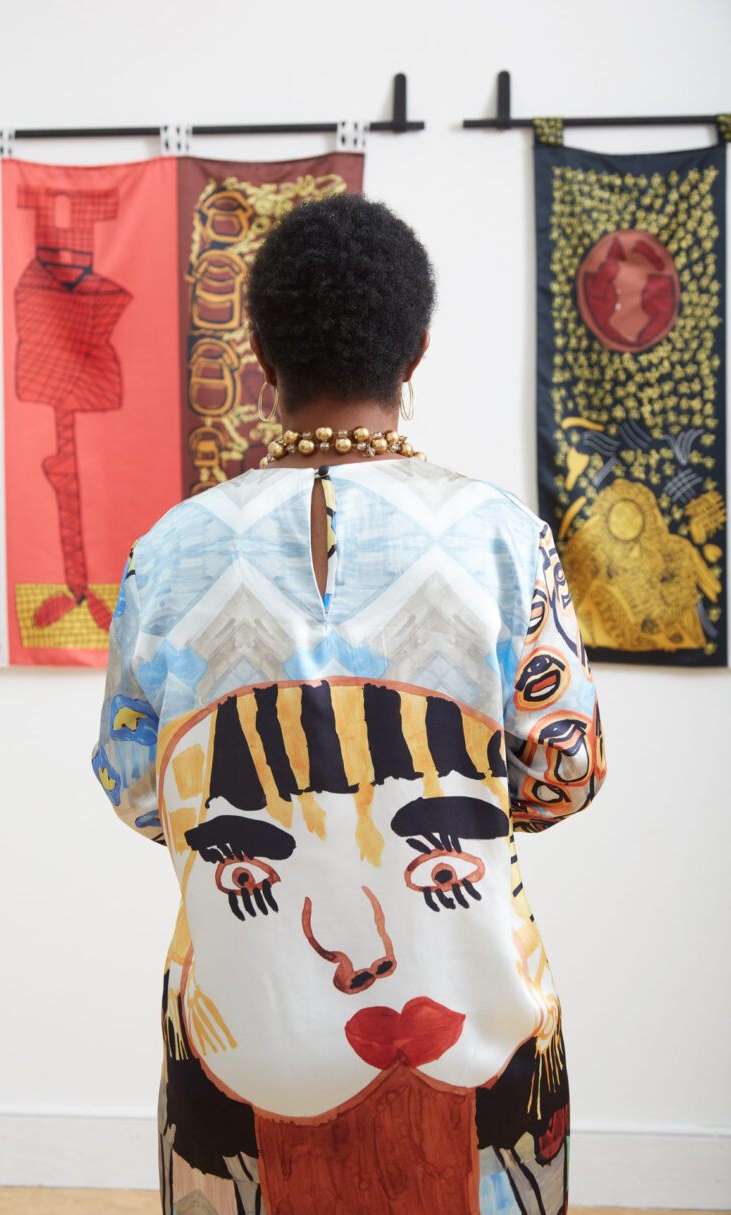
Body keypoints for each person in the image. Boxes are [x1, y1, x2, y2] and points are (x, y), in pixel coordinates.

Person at [92, 193, 606, 1215]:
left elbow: (140, 789)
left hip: (242, 1022)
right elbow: (565, 774)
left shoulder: (170, 551)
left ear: (260, 357)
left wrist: (275, 827)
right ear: (414, 353)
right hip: (477, 1019)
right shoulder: (505, 539)